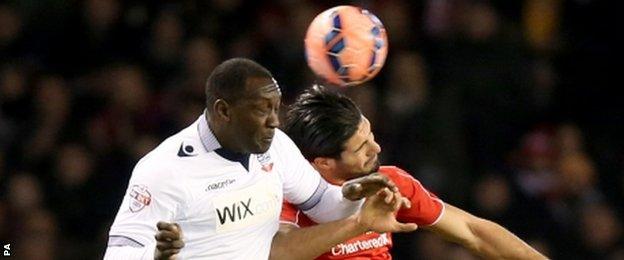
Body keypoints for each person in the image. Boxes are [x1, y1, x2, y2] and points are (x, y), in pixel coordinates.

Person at [103, 58, 416, 260]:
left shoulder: (275, 146)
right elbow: (119, 255)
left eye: (276, 107)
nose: (275, 121)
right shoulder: (164, 169)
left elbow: (321, 202)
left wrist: (356, 198)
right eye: (261, 109)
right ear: (223, 111)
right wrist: (156, 256)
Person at [270, 85, 548, 260]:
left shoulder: (389, 183)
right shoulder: (285, 196)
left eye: (371, 136)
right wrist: (359, 224)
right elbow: (278, 252)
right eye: (361, 148)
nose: (376, 148)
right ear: (323, 163)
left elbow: (473, 231)